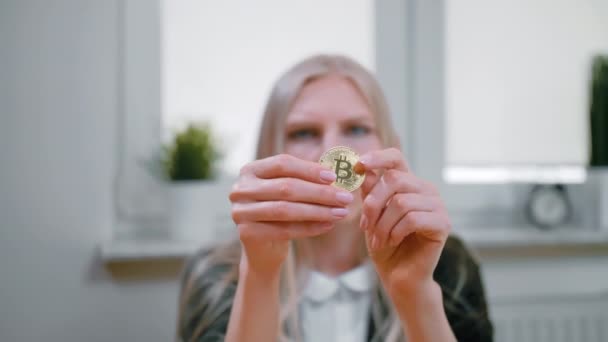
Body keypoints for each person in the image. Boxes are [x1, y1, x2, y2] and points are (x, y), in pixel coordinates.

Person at [176, 54, 493, 342]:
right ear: (270, 152)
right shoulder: (214, 276)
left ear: (390, 146)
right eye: (304, 132)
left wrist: (416, 294)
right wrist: (259, 276)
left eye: (356, 129)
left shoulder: (447, 264)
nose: (331, 152)